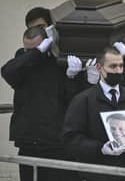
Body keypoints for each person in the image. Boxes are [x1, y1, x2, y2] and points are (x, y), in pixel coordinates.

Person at [62, 47, 125, 181]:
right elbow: (70, 139)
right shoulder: (83, 100)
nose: (118, 71)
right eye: (113, 66)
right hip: (98, 173)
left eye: (121, 66)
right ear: (99, 67)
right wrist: (100, 148)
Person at [1, 25, 73, 181]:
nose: (30, 53)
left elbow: (70, 96)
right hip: (28, 141)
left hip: (55, 143)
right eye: (28, 49)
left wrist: (72, 76)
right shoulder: (23, 60)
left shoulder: (57, 62)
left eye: (36, 48)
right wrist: (36, 52)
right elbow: (7, 72)